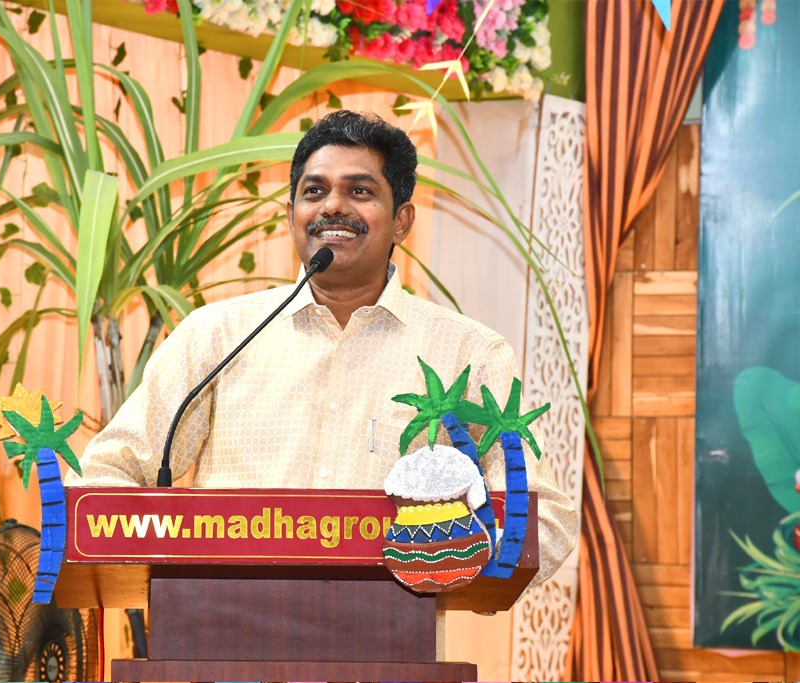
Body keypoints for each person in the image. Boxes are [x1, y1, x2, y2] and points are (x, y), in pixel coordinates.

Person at [74, 110, 577, 584]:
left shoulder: (466, 352)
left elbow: (544, 519)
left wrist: (451, 564)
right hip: (220, 627)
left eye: (360, 190)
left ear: (401, 221)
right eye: (314, 191)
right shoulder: (218, 335)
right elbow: (108, 473)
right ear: (291, 214)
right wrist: (159, 563)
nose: (333, 205)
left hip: (391, 635)